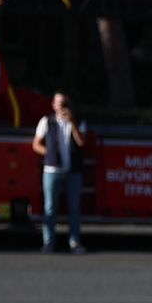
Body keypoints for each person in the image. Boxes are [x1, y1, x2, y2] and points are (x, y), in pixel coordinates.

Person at [32, 91, 89, 254]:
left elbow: (81, 141)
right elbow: (36, 144)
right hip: (52, 171)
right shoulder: (46, 121)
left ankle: (75, 242)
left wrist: (72, 122)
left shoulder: (78, 121)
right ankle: (49, 242)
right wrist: (48, 153)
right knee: (50, 208)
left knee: (74, 209)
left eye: (65, 103)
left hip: (73, 172)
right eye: (60, 103)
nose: (62, 107)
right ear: (53, 105)